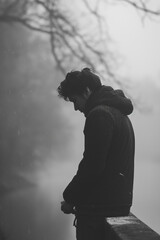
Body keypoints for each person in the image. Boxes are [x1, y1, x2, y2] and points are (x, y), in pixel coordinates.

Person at [57, 68, 135, 240]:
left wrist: (69, 197)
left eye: (74, 100)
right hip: (116, 206)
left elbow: (92, 165)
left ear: (86, 91)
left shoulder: (99, 115)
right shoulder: (118, 113)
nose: (76, 107)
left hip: (98, 212)